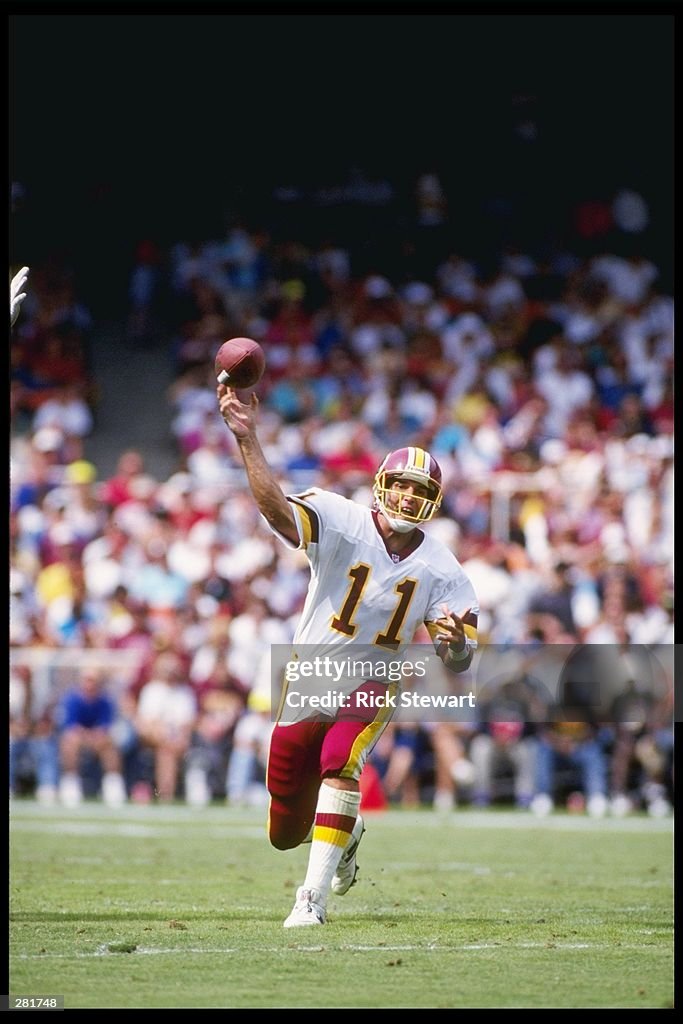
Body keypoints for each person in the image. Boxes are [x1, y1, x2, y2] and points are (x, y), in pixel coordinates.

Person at [218, 383, 479, 928]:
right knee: (284, 829)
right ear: (382, 484)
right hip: (312, 673)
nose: (408, 498)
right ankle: (347, 830)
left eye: (419, 490)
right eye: (401, 486)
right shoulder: (339, 516)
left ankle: (310, 899)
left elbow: (460, 657)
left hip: (377, 677)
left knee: (341, 760)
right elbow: (276, 513)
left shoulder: (444, 568)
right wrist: (247, 438)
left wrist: (455, 646)